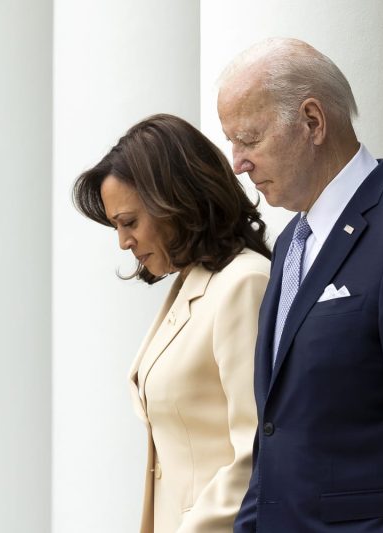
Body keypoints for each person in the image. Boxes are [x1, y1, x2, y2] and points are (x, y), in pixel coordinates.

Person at [217, 38, 383, 532]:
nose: (237, 163)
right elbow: (274, 433)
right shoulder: (291, 241)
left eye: (249, 139)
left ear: (312, 121)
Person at [73, 114, 271, 533]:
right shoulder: (193, 283)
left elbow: (256, 450)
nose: (123, 242)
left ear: (176, 201)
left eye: (129, 222)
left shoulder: (243, 283)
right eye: (116, 226)